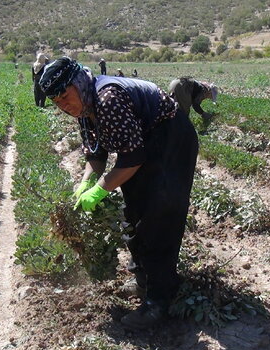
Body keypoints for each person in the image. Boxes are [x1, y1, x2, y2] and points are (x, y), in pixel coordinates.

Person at [39, 57, 199, 330]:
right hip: (145, 142)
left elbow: (132, 158)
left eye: (65, 96)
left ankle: (159, 302)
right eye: (57, 102)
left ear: (78, 84)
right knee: (134, 211)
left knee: (158, 217)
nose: (63, 105)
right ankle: (143, 281)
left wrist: (100, 190)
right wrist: (85, 183)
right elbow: (96, 153)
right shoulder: (86, 107)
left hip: (170, 139)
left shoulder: (106, 99)